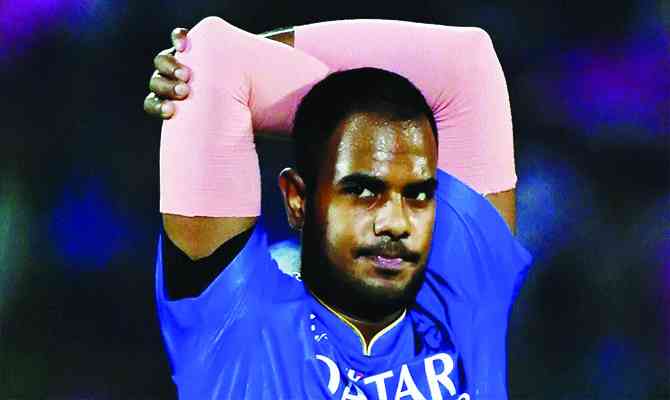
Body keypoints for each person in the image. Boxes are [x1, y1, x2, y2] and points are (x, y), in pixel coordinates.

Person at [147, 17, 533, 399]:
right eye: (363, 191)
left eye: (417, 195)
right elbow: (216, 61)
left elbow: (467, 61)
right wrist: (196, 77)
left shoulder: (462, 302)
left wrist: (213, 78)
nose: (396, 222)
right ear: (297, 200)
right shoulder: (237, 330)